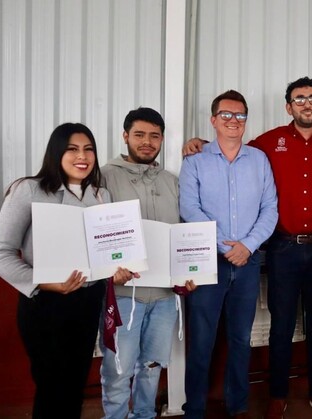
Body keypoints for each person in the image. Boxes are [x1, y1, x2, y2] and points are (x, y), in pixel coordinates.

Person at [184, 77, 312, 419]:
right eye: (299, 99)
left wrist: (246, 245)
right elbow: (196, 198)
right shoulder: (268, 144)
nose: (307, 103)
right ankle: (277, 395)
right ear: (288, 107)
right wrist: (197, 143)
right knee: (281, 325)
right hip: (282, 249)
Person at [0, 123, 121, 418]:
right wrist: (45, 284)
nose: (82, 156)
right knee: (51, 388)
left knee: (74, 387)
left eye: (88, 149)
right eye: (72, 149)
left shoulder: (101, 196)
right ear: (56, 153)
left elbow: (103, 252)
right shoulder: (29, 190)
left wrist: (118, 266)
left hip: (87, 303)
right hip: (45, 305)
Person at [179, 90, 278, 419]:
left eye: (240, 116)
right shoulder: (195, 161)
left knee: (240, 339)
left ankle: (238, 406)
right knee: (202, 341)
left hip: (248, 263)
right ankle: (194, 408)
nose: (233, 121)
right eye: (226, 115)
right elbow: (189, 209)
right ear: (213, 120)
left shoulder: (259, 160)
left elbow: (270, 210)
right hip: (208, 263)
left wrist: (247, 245)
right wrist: (225, 246)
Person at [99, 107, 196, 418]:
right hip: (125, 295)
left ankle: (144, 415)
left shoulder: (171, 181)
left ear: (162, 140)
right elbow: (93, 231)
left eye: (154, 136)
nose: (147, 142)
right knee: (118, 371)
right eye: (139, 134)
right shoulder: (104, 177)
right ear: (125, 136)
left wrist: (190, 270)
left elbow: (185, 233)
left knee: (153, 365)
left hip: (166, 297)